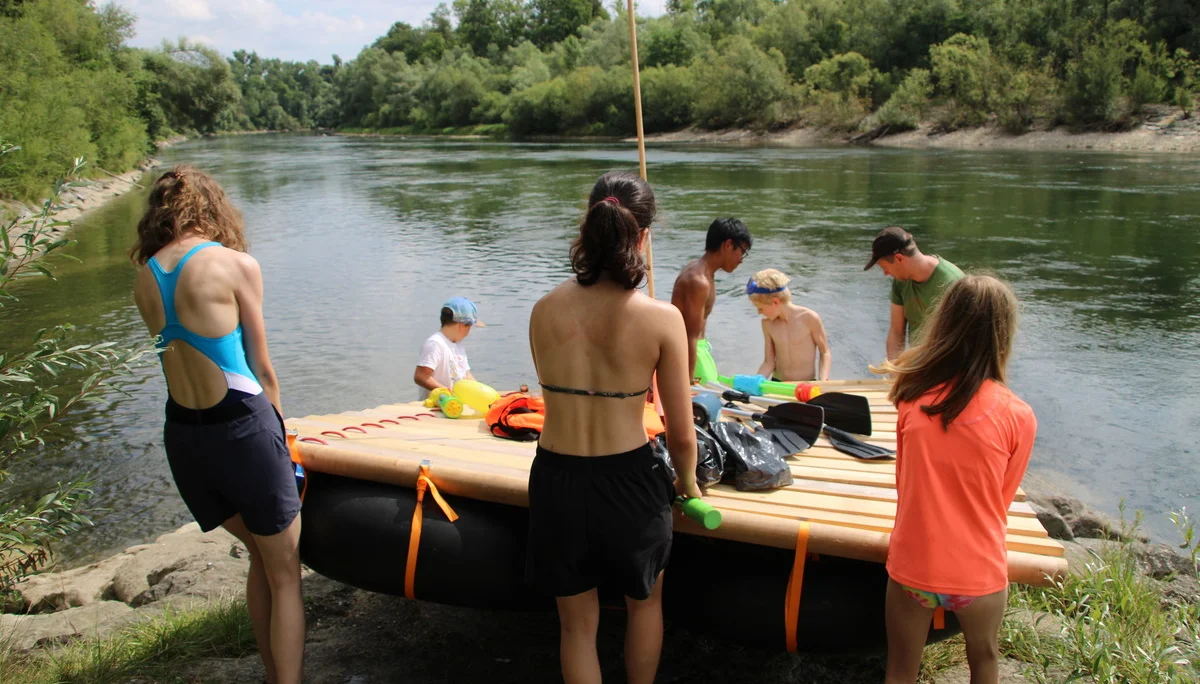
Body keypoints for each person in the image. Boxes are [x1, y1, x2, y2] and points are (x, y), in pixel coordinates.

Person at [129, 165, 304, 684]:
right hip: (241, 428)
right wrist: (282, 439)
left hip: (183, 435)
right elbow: (262, 369)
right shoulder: (235, 264)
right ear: (212, 208)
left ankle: (274, 675)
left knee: (258, 553)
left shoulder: (145, 276)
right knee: (286, 571)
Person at [527, 171, 702, 684]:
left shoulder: (542, 310)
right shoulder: (662, 317)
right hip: (629, 479)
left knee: (577, 624)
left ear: (589, 229)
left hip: (556, 475)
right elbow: (681, 431)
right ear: (642, 236)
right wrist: (686, 484)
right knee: (645, 605)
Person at [869, 274, 1038, 684]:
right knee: (985, 661)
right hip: (977, 571)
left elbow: (905, 481)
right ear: (1003, 333)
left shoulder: (910, 396)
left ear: (943, 323)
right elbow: (1000, 500)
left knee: (900, 669)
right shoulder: (1018, 415)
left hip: (914, 565)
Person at [670, 217, 752, 384]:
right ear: (728, 245)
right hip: (693, 358)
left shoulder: (703, 272)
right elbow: (689, 337)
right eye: (742, 251)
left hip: (701, 352)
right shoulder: (698, 280)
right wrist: (686, 384)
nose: (741, 259)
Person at [863, 226, 964, 361]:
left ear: (899, 258)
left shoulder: (952, 283)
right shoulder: (901, 281)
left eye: (884, 267)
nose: (886, 273)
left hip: (949, 365)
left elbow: (958, 341)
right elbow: (896, 332)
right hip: (918, 366)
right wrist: (894, 372)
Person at [745, 268, 831, 382]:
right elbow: (769, 362)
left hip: (805, 384)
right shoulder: (767, 324)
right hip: (778, 383)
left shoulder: (809, 318)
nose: (759, 313)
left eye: (761, 308)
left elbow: (824, 352)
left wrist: (823, 379)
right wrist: (755, 380)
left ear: (775, 302)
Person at [414, 296, 481, 401]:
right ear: (461, 326)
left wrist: (481, 391)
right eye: (469, 327)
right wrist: (446, 392)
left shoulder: (458, 344)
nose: (469, 332)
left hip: (454, 405)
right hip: (435, 406)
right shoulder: (435, 343)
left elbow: (466, 375)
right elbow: (421, 376)